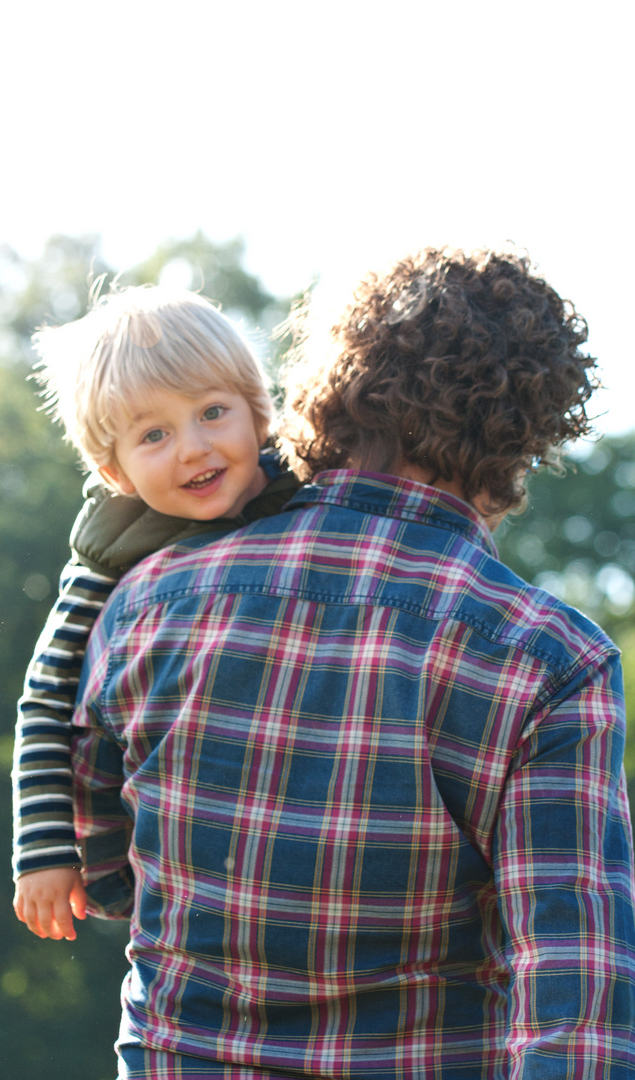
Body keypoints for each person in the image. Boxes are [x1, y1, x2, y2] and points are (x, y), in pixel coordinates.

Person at [71, 246, 635, 1078]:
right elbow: (573, 990)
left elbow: (100, 862)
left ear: (329, 390)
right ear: (526, 440)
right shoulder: (550, 658)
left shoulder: (150, 599)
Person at [11, 283, 300, 941]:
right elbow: (45, 702)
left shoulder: (309, 496)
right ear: (114, 471)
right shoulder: (109, 559)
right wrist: (45, 853)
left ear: (259, 415)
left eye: (213, 412)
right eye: (154, 434)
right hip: (171, 824)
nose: (193, 448)